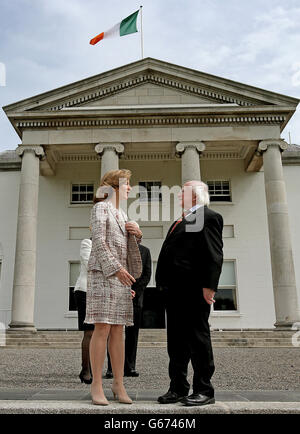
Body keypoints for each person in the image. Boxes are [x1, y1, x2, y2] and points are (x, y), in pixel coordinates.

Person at [156, 180, 223, 407]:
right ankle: (178, 388)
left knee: (197, 339)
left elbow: (213, 253)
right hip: (174, 292)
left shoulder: (208, 216)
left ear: (195, 196)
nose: (178, 195)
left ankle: (204, 389)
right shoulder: (181, 220)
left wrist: (209, 286)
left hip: (193, 290)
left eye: (182, 191)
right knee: (176, 343)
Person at [84, 169, 142, 406]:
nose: (130, 188)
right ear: (114, 187)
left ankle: (118, 383)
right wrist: (116, 269)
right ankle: (96, 384)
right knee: (102, 329)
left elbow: (123, 246)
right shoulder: (100, 208)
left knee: (119, 331)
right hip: (103, 274)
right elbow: (98, 241)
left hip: (120, 277)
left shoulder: (122, 212)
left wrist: (136, 235)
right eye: (127, 184)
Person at [105, 243, 152, 378]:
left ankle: (130, 367)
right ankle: (112, 368)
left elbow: (147, 275)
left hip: (135, 298)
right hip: (117, 296)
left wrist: (133, 291)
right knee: (113, 333)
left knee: (132, 334)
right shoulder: (117, 249)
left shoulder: (145, 251)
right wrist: (123, 290)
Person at [74, 233, 93, 384]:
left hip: (102, 292)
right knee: (90, 331)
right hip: (85, 291)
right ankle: (85, 368)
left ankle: (95, 367)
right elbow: (90, 265)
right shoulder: (87, 243)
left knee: (101, 332)